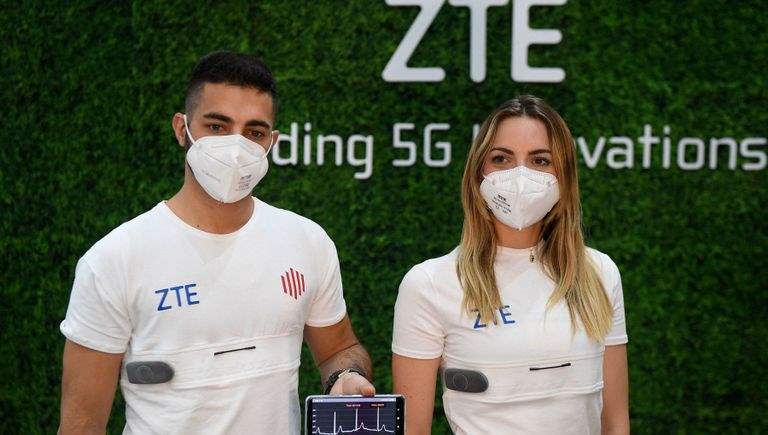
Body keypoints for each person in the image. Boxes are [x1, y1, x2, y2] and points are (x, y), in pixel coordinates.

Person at [58, 51, 375, 435]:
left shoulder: (307, 241)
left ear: (271, 143)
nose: (236, 147)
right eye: (217, 126)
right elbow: (81, 425)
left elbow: (339, 349)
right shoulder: (114, 260)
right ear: (182, 129)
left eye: (254, 133)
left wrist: (346, 377)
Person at [392, 95, 629, 434]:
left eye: (540, 160)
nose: (520, 176)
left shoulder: (600, 274)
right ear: (478, 173)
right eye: (501, 158)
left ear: (564, 176)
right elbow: (412, 430)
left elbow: (616, 424)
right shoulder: (429, 283)